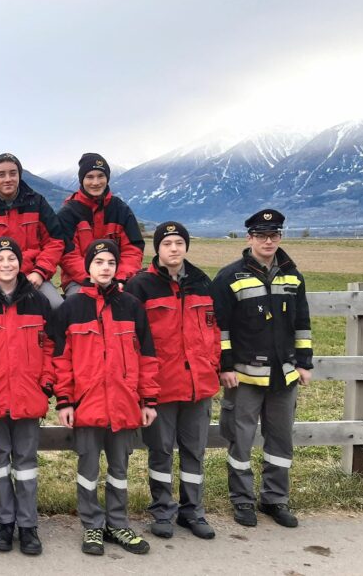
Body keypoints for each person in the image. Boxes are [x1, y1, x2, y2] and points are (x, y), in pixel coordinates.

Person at [51, 239, 158, 557]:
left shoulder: (131, 306)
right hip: (87, 404)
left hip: (125, 404)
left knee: (119, 469)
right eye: (99, 262)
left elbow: (147, 357)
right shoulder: (71, 307)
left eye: (111, 262)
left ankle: (117, 523)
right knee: (88, 469)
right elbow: (60, 359)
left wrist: (148, 401)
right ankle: (92, 525)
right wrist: (65, 401)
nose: (105, 268)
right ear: (88, 267)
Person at [212, 209, 312, 529]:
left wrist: (305, 363)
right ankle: (242, 500)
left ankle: (275, 499)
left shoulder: (293, 276)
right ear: (249, 238)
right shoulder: (229, 277)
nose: (268, 241)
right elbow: (220, 329)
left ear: (281, 237)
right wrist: (225, 366)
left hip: (285, 374)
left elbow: (302, 325)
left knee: (280, 440)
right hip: (243, 375)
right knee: (240, 439)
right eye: (261, 235)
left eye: (274, 235)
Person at [124, 222, 220, 540]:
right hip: (161, 384)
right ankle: (162, 510)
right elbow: (134, 340)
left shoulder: (203, 283)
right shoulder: (141, 286)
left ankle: (193, 512)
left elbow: (215, 331)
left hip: (198, 384)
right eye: (167, 243)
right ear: (158, 249)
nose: (174, 248)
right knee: (161, 451)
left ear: (187, 247)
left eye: (179, 242)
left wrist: (212, 364)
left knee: (194, 451)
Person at [0, 236, 54, 556]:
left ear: (21, 263)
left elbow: (51, 347)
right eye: (0, 259)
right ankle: (4, 523)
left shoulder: (38, 300)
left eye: (12, 258)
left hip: (28, 397)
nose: (6, 264)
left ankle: (28, 526)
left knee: (26, 464)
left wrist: (45, 385)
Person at [0, 153, 65, 309]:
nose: (7, 179)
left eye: (13, 173)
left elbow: (55, 242)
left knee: (56, 306)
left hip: (33, 275)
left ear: (20, 175)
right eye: (1, 174)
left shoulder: (37, 203)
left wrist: (40, 272)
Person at [57, 153, 145, 294]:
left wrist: (119, 277)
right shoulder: (68, 213)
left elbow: (133, 250)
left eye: (100, 176)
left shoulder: (121, 209)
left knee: (135, 303)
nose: (96, 182)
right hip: (80, 280)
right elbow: (68, 256)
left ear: (107, 178)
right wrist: (93, 279)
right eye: (90, 177)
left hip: (118, 278)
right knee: (82, 307)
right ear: (82, 180)